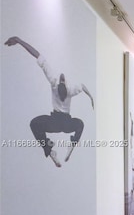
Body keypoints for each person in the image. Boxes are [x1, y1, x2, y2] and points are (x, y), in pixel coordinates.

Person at [4, 36, 94, 167]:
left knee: (34, 123)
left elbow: (38, 56)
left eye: (62, 78)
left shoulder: (54, 82)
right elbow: (82, 86)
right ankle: (68, 145)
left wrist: (19, 41)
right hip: (67, 123)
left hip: (54, 123)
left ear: (60, 83)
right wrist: (90, 96)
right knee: (80, 124)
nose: (62, 76)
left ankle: (49, 148)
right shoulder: (70, 90)